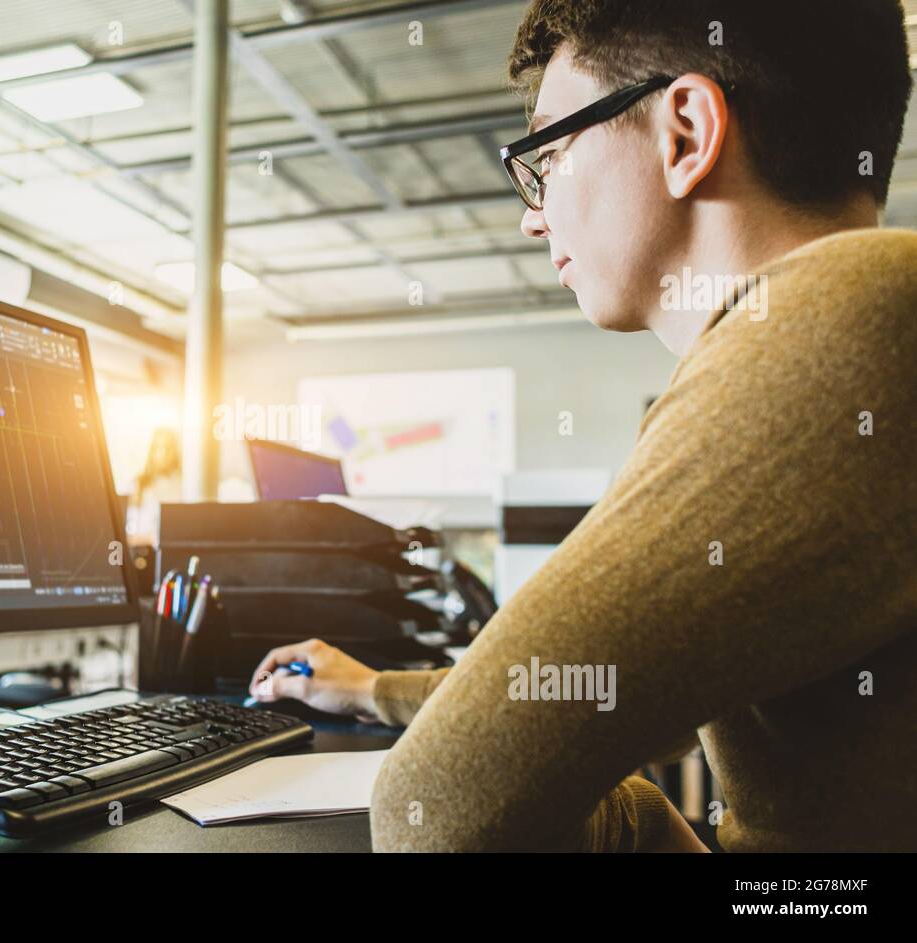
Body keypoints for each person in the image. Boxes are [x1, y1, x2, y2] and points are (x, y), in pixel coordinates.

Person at [250, 0, 916, 852]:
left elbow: (439, 805)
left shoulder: (853, 315)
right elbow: (607, 699)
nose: (532, 216)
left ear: (684, 132)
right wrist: (373, 688)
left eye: (550, 154)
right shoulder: (853, 323)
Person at [125, 427, 182, 548]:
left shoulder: (184, 484)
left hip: (176, 549)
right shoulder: (140, 484)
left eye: (168, 448)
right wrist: (155, 538)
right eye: (158, 448)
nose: (163, 453)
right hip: (147, 553)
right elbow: (130, 535)